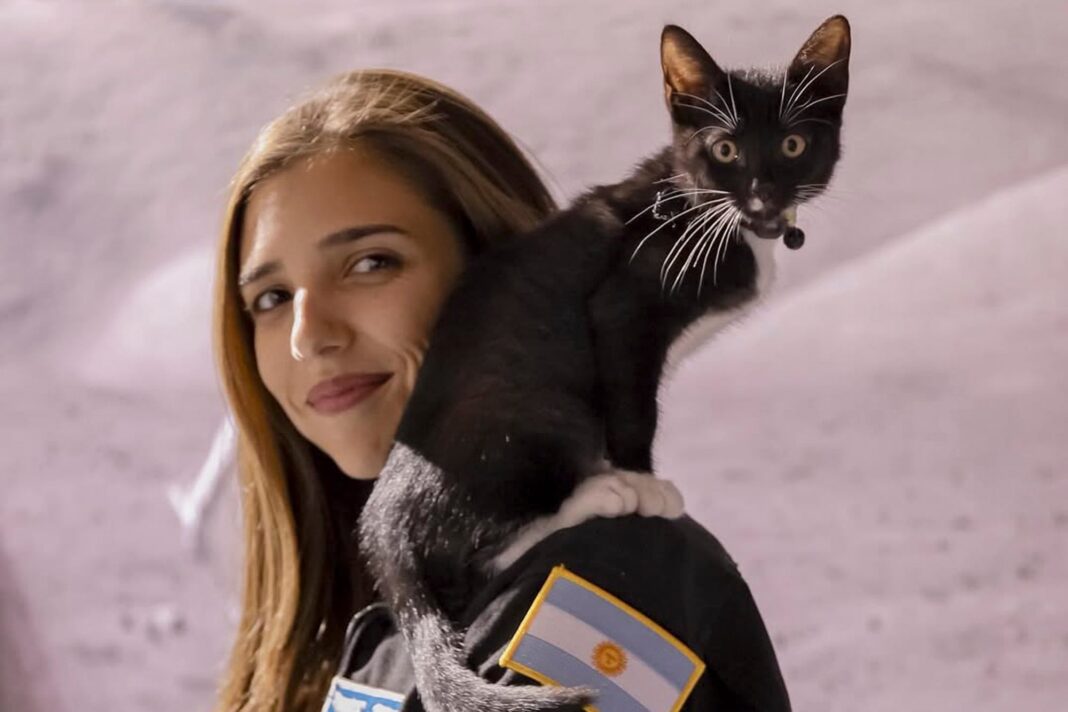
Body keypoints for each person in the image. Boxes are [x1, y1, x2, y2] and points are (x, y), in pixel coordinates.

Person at [213, 68, 790, 711]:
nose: (307, 336)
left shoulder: (605, 576)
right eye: (270, 297)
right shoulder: (400, 634)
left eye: (371, 263)